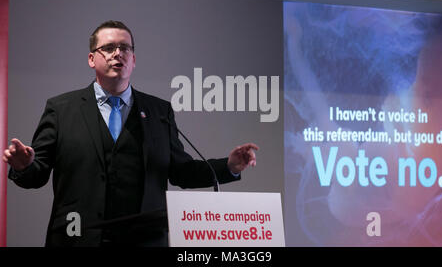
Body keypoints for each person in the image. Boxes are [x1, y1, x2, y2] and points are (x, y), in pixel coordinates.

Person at [2, 20, 258, 247]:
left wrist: (229, 166)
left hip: (144, 239)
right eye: (109, 48)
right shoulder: (61, 109)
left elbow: (181, 170)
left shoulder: (159, 111)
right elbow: (36, 174)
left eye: (125, 48)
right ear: (92, 59)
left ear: (134, 60)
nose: (118, 54)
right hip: (77, 236)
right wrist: (25, 166)